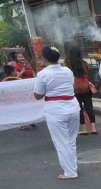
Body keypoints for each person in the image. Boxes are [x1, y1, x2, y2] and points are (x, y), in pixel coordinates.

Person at [32, 46, 80, 180]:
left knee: (61, 142)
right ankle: (72, 167)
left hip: (55, 109)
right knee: (71, 140)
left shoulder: (43, 74)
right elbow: (72, 86)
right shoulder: (67, 70)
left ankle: (70, 172)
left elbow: (37, 95)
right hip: (72, 106)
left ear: (45, 58)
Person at [65, 46, 97, 135]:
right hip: (86, 87)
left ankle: (83, 128)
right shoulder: (84, 63)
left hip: (75, 88)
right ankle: (93, 127)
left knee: (78, 108)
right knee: (89, 107)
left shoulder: (68, 64)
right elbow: (86, 74)